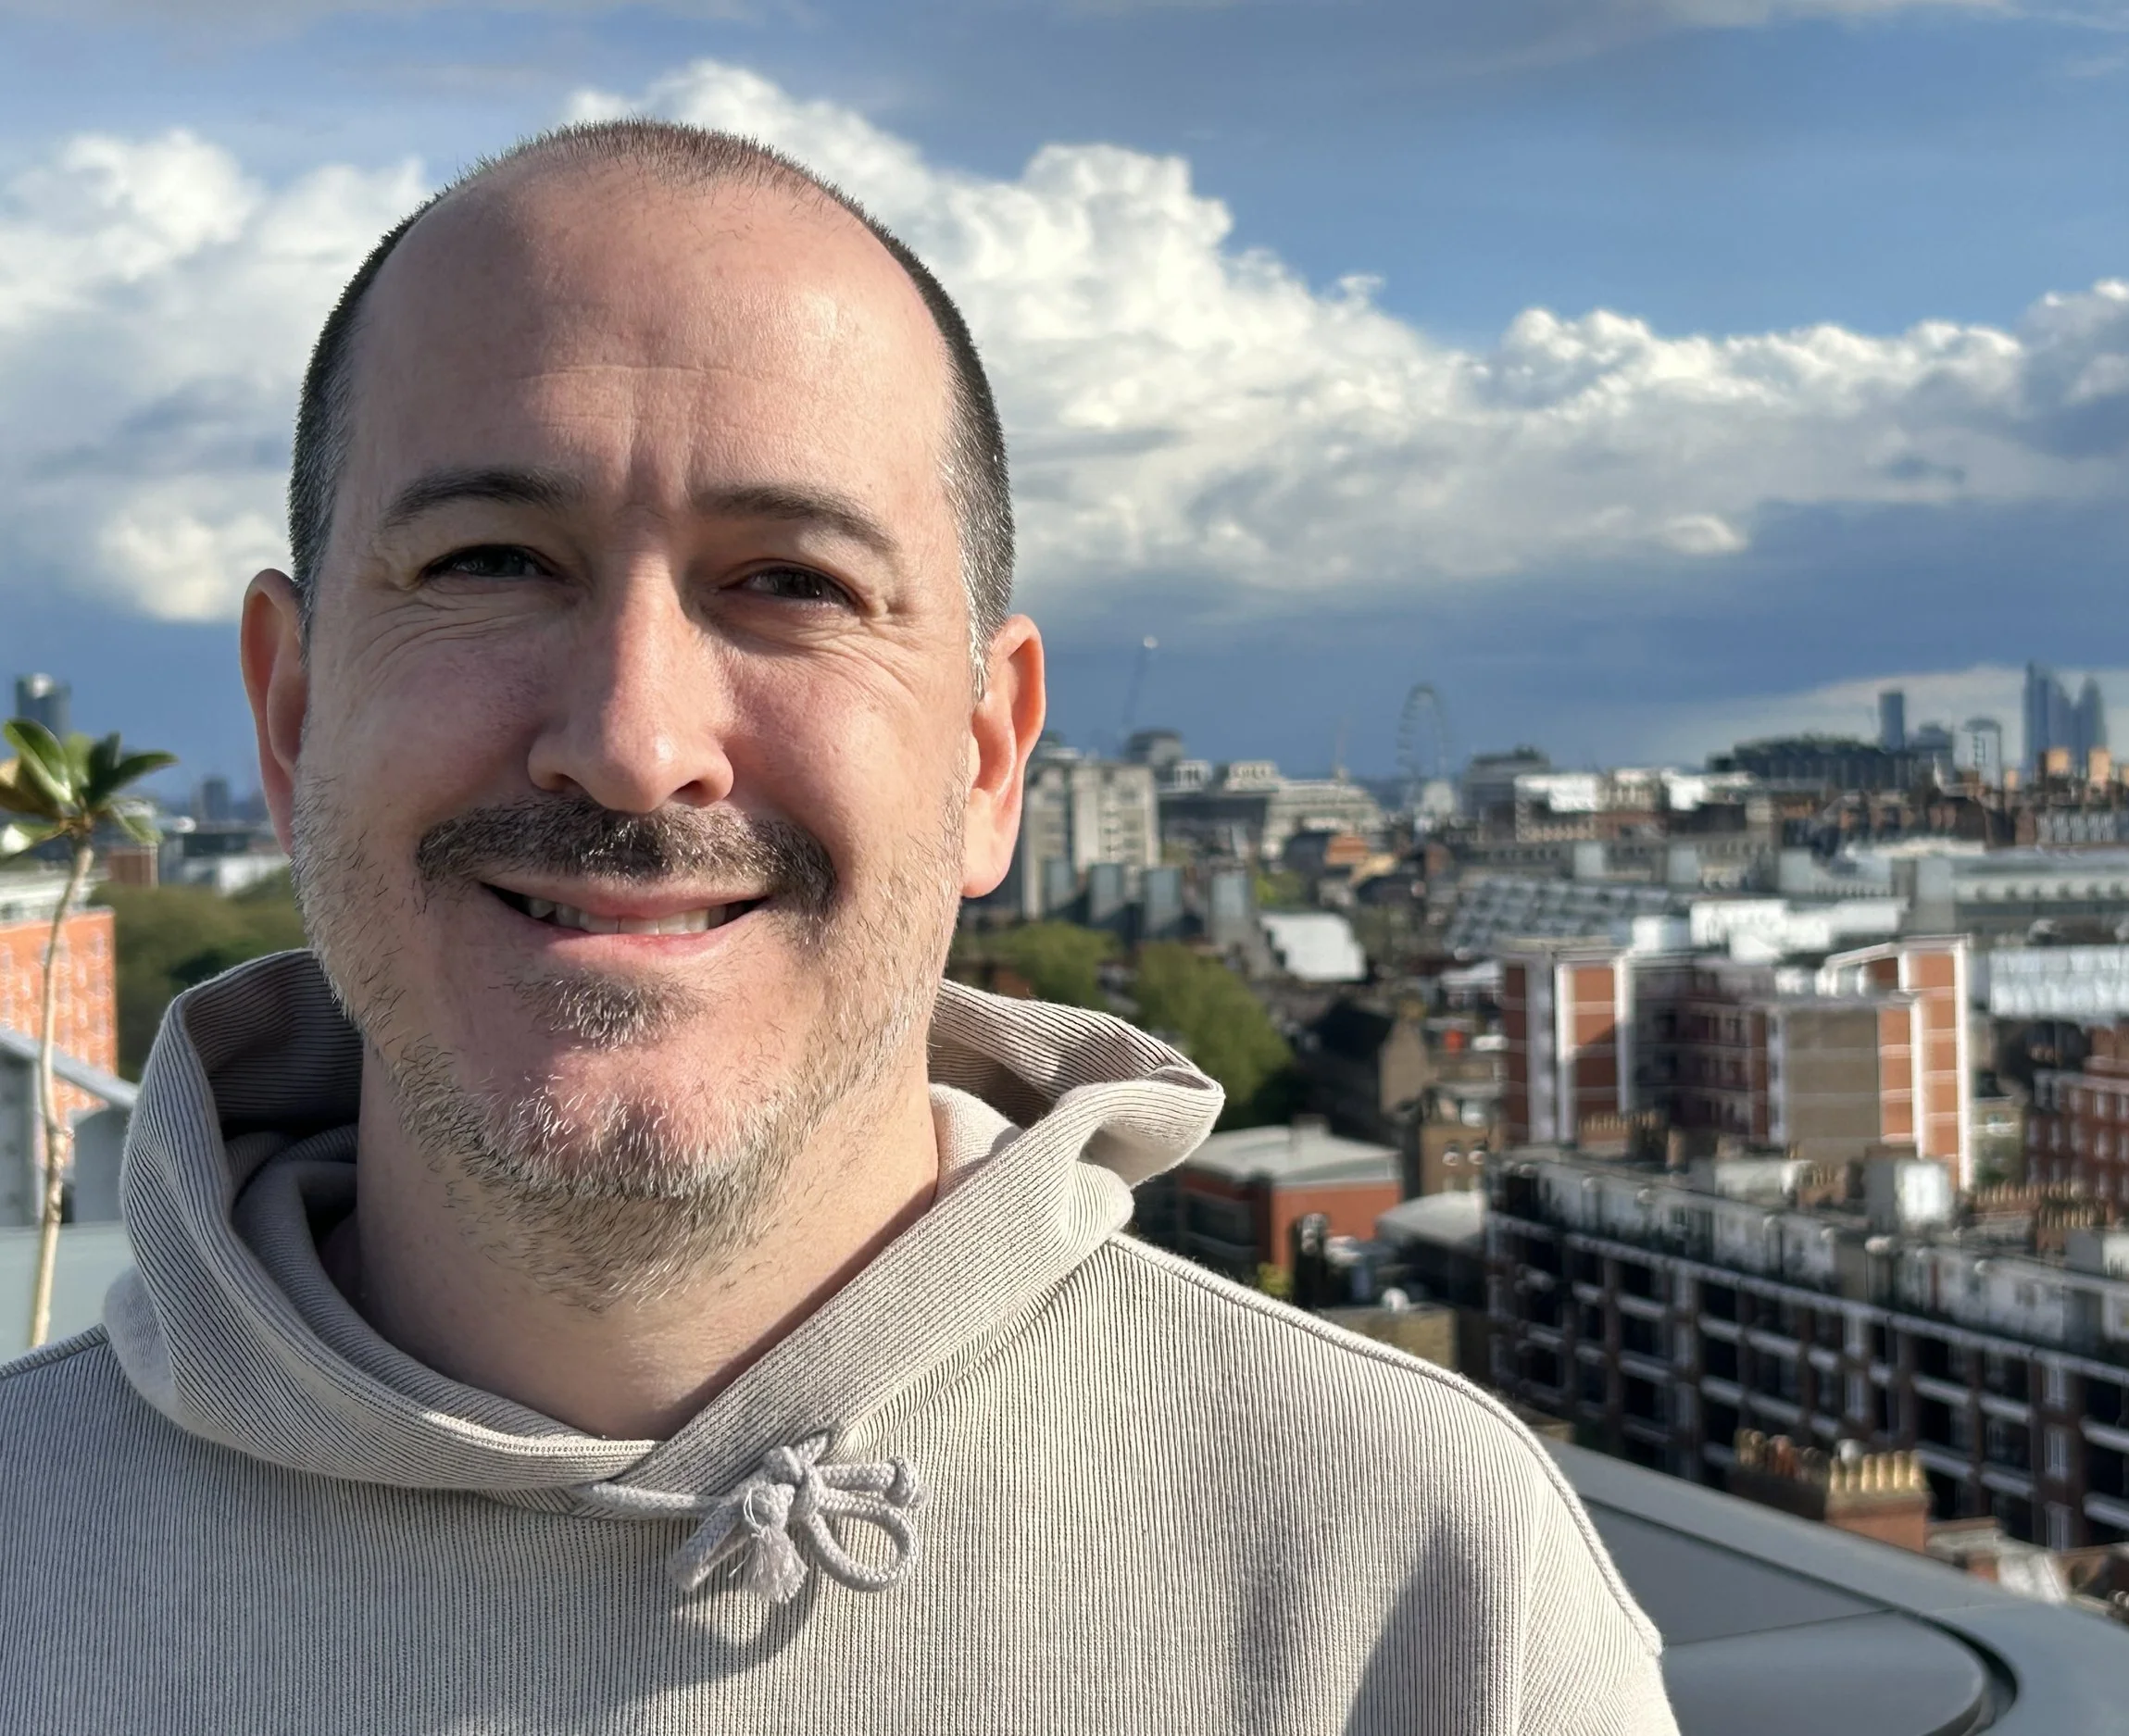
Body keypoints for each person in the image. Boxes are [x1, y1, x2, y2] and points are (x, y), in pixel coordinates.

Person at [0, 120, 1675, 1732]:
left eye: (793, 581)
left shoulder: (1426, 1587)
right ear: (292, 717)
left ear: (987, 754)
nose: (636, 740)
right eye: (492, 561)